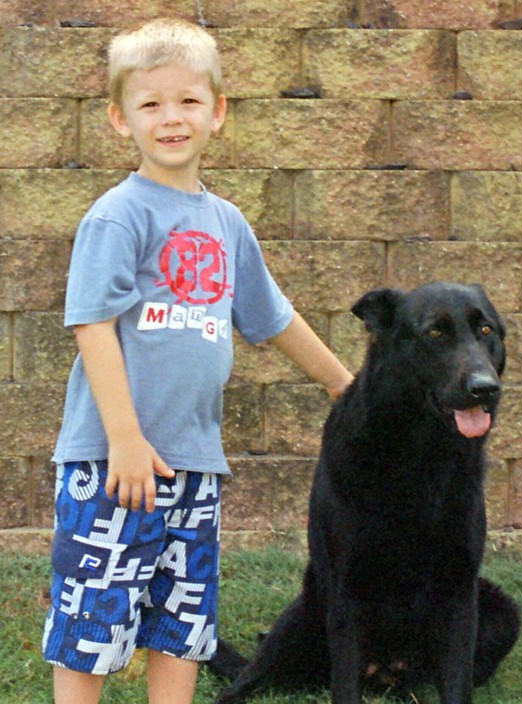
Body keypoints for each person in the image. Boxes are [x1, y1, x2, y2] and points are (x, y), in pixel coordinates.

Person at [42, 17, 354, 704]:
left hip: (195, 463)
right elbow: (91, 325)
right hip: (112, 462)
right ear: (121, 120)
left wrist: (342, 383)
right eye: (150, 104)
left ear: (217, 112)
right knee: (93, 614)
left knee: (182, 617)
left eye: (186, 101)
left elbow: (272, 317)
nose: (170, 118)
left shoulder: (227, 222)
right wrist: (123, 439)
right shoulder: (117, 216)